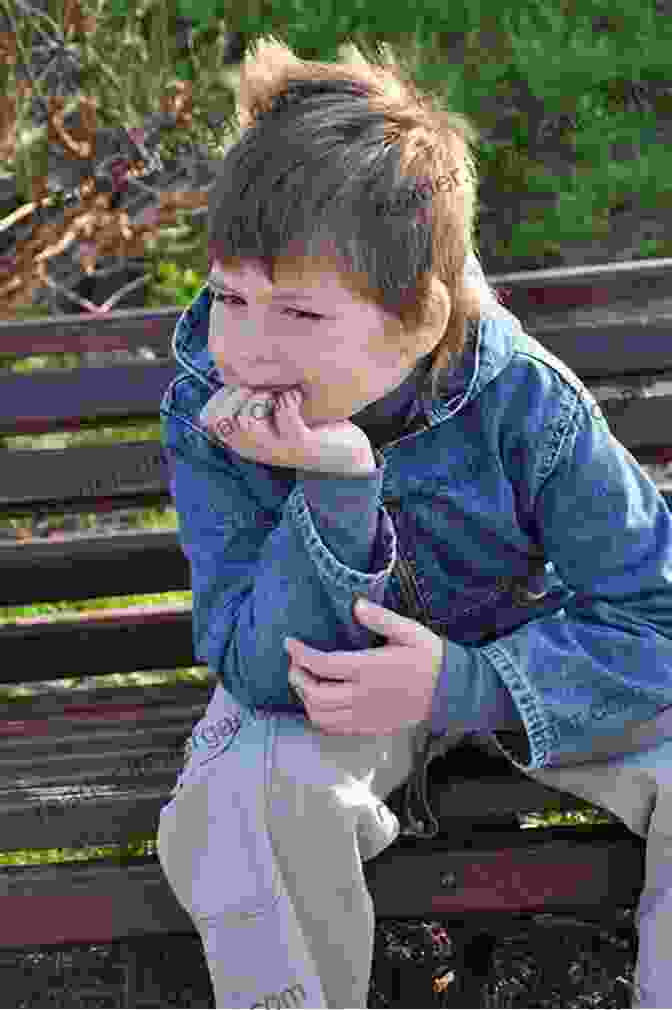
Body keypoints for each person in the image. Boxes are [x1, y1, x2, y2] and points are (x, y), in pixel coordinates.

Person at [156, 36, 672, 1009]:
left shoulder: (529, 405)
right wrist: (336, 485)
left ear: (423, 319)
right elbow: (261, 670)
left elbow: (659, 619)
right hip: (323, 694)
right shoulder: (209, 412)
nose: (248, 348)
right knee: (244, 801)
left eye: (300, 316)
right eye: (230, 297)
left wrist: (465, 683)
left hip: (527, 676)